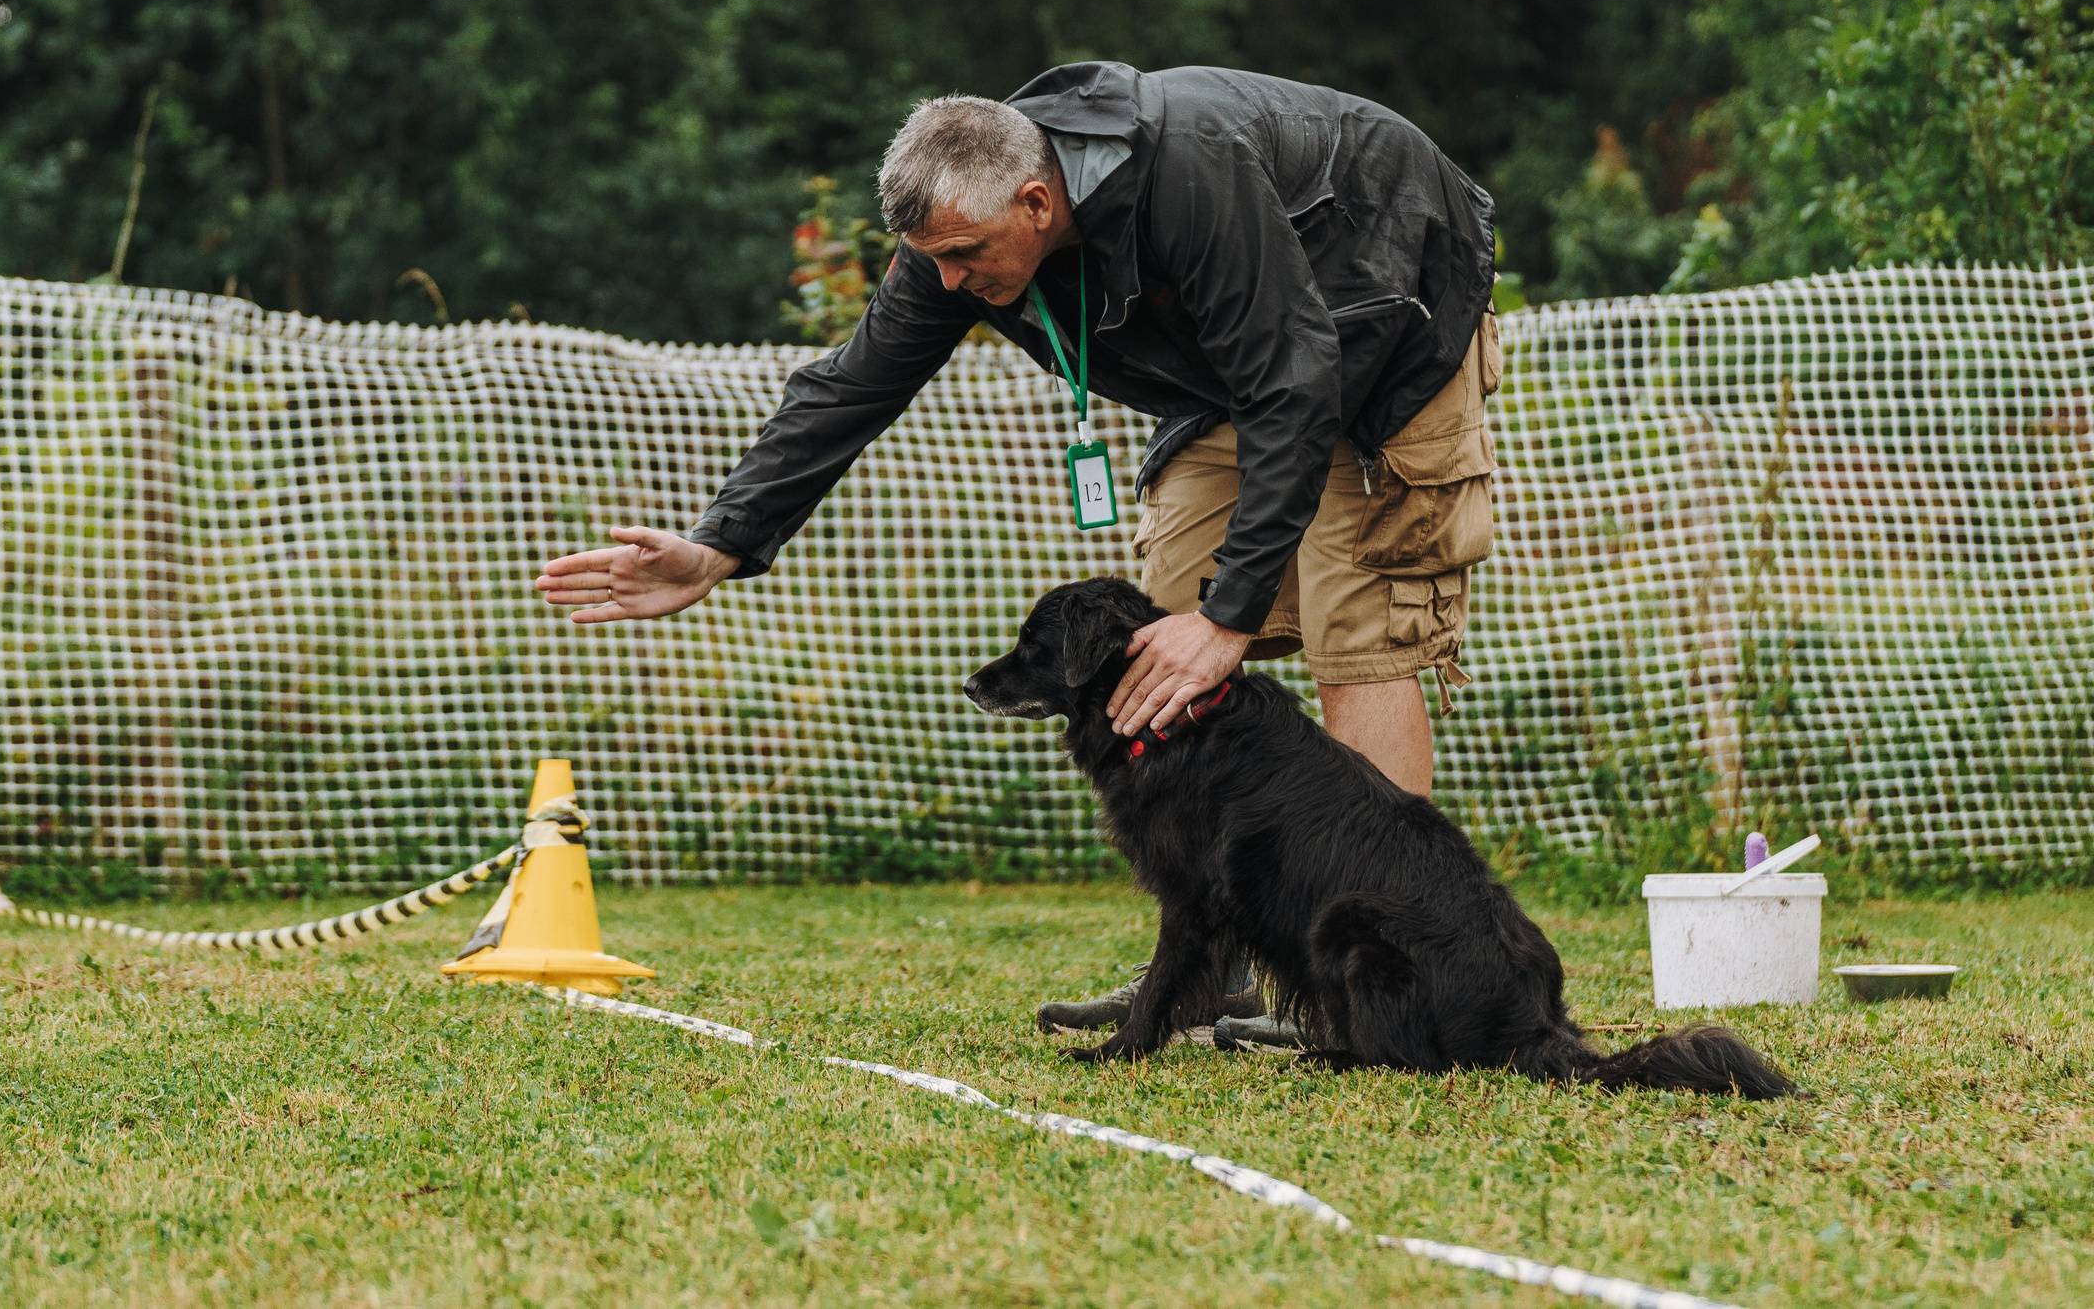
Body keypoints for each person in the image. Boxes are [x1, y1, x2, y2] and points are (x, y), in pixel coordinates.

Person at [533, 61, 1501, 1039]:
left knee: (1355, 629)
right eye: (932, 259)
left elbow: (1298, 379)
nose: (948, 281)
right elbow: (849, 388)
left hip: (1386, 315)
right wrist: (717, 545)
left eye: (963, 253)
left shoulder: (1191, 176)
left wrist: (1228, 616)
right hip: (1240, 363)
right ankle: (1206, 971)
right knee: (1156, 655)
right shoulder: (959, 232)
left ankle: (1381, 975)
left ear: (1036, 201)